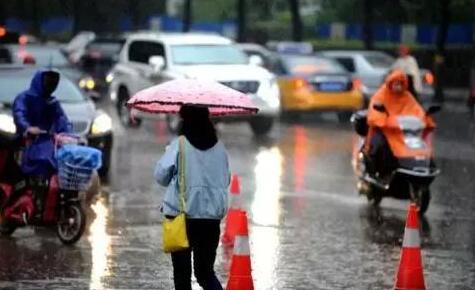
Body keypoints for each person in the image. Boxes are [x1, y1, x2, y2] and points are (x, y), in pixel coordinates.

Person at [154, 105, 230, 290]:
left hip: (181, 216)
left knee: (182, 276)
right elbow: (226, 179)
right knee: (205, 273)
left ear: (184, 121)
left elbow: (161, 176)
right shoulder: (220, 148)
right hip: (210, 220)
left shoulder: (179, 144)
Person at [12, 68, 71, 217]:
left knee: (57, 166)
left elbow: (61, 119)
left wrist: (68, 135)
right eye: (47, 80)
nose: (50, 84)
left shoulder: (52, 102)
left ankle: (47, 203)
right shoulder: (24, 98)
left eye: (53, 81)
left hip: (47, 142)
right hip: (27, 142)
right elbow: (20, 114)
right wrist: (28, 128)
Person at [365, 69, 434, 177]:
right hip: (385, 129)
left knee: (419, 148)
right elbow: (374, 111)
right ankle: (375, 173)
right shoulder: (381, 95)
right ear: (390, 83)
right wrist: (383, 120)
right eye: (395, 83)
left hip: (403, 132)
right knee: (378, 146)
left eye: (400, 83)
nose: (398, 86)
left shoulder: (407, 97)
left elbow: (417, 110)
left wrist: (425, 119)